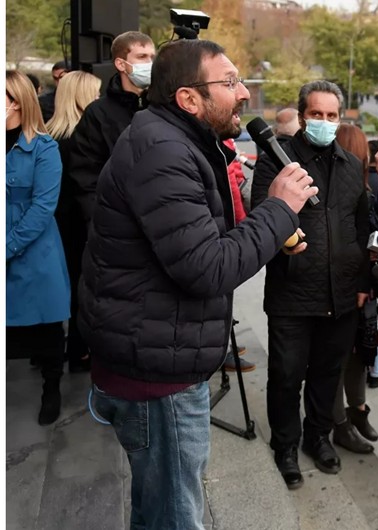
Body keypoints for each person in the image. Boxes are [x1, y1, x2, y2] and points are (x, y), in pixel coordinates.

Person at [81, 39, 318, 528]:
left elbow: (196, 241)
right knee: (174, 516)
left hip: (157, 353)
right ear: (189, 99)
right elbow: (206, 269)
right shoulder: (164, 151)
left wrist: (269, 232)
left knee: (158, 506)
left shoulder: (172, 139)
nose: (245, 92)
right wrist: (276, 209)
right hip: (157, 375)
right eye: (230, 83)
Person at [250, 80, 370, 489]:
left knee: (326, 372)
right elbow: (261, 214)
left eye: (331, 115)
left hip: (341, 294)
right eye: (316, 114)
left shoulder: (352, 166)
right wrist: (284, 242)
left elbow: (360, 224)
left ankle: (317, 436)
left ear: (340, 119)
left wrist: (361, 282)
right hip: (292, 293)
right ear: (303, 117)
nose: (324, 121)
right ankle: (286, 444)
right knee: (286, 375)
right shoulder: (277, 160)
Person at [6, 70, 70, 425]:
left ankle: (52, 388)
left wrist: (7, 247)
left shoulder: (44, 148)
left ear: (16, 102)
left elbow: (43, 208)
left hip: (34, 249)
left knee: (46, 326)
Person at [44, 71, 102, 373]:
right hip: (78, 226)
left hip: (53, 228)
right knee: (82, 288)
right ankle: (79, 351)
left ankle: (53, 351)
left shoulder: (46, 137)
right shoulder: (82, 140)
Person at [329, 123, 378, 455]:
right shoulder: (347, 191)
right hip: (343, 288)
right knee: (337, 357)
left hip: (364, 288)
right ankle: (339, 424)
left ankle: (357, 410)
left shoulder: (371, 186)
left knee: (359, 355)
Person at [68, 31, 154, 224]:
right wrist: (101, 223)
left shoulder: (164, 107)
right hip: (116, 226)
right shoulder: (98, 114)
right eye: (141, 57)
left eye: (152, 57)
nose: (149, 63)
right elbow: (84, 176)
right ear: (120, 64)